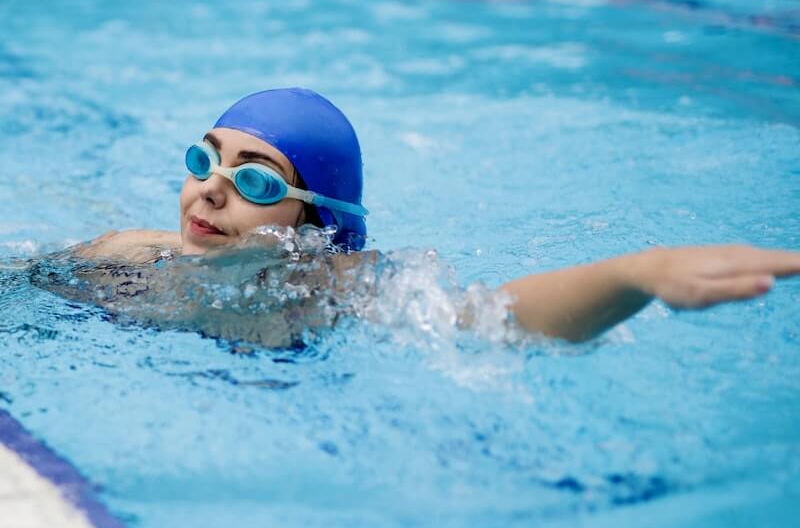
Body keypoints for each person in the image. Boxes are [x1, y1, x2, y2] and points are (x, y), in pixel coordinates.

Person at [73, 88, 800, 343]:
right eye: (204, 161)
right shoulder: (131, 254)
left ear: (311, 224)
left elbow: (492, 321)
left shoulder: (331, 290)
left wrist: (636, 274)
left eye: (256, 180)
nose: (211, 190)